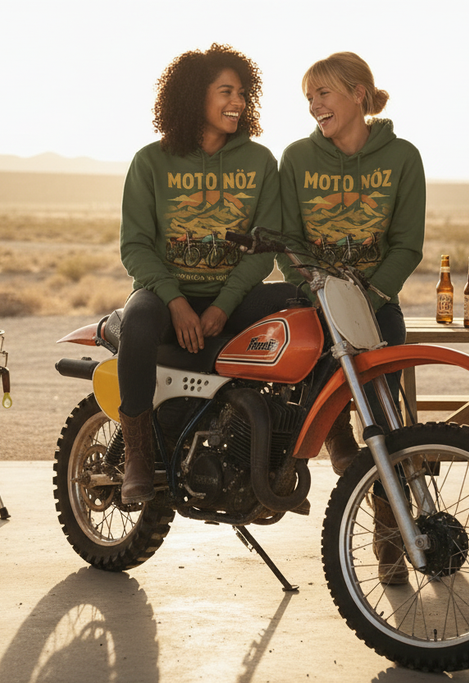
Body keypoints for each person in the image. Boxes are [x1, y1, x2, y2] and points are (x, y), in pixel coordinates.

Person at [117, 44, 295, 504]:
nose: (237, 101)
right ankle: (137, 455)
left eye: (242, 92)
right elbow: (135, 246)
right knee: (137, 323)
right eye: (225, 91)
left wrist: (223, 304)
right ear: (195, 96)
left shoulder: (259, 162)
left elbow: (264, 248)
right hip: (164, 297)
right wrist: (176, 302)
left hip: (229, 299)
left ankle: (298, 446)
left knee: (303, 303)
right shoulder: (150, 161)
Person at [279, 52, 425, 583]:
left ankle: (390, 541)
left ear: (358, 94)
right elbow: (287, 240)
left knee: (387, 427)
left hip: (377, 306)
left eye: (324, 93)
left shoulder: (403, 158)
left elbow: (408, 244)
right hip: (316, 304)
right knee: (325, 413)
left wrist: (371, 294)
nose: (314, 105)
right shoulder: (295, 158)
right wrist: (317, 292)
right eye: (309, 97)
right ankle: (347, 465)